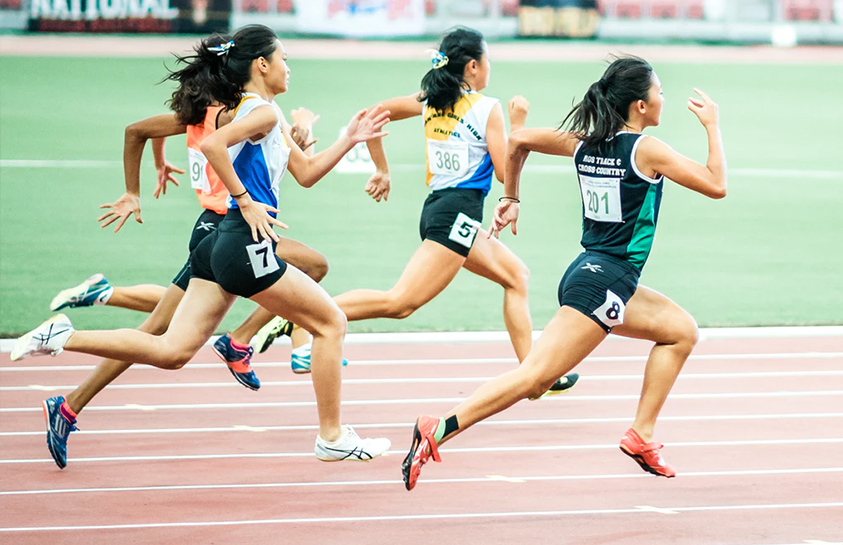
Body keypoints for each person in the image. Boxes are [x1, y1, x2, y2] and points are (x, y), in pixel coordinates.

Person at [11, 25, 392, 462]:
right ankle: (331, 436)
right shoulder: (258, 113)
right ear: (261, 64)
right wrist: (246, 201)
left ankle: (63, 336)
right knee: (331, 322)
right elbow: (210, 143)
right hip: (239, 240)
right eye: (285, 58)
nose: (291, 67)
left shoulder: (264, 112)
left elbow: (304, 173)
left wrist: (348, 138)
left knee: (171, 350)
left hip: (222, 242)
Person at [399, 56, 727, 490]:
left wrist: (511, 196)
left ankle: (641, 434)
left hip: (596, 275)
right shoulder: (645, 150)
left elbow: (519, 141)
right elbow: (716, 184)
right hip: (603, 282)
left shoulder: (582, 142)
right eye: (660, 92)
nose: (663, 97)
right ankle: (438, 427)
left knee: (680, 331)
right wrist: (712, 126)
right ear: (641, 107)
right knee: (533, 381)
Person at [330, 28, 578, 395]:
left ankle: (534, 376)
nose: (490, 67)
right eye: (488, 60)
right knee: (400, 302)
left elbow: (372, 114)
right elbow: (503, 171)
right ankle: (309, 314)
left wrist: (382, 167)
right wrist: (520, 126)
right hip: (458, 217)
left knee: (515, 276)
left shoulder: (431, 99)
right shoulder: (486, 108)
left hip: (442, 212)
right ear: (474, 66)